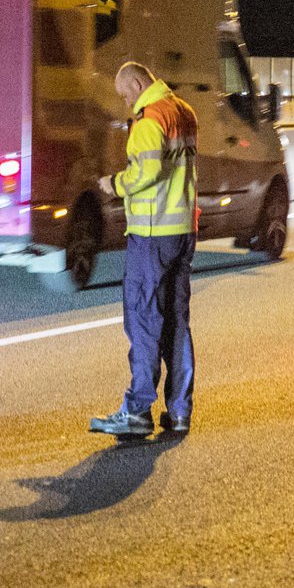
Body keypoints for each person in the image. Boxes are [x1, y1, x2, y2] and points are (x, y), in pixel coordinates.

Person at [89, 62, 199, 437]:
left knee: (143, 319)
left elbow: (146, 173)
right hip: (182, 230)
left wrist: (114, 183)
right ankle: (180, 411)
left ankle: (137, 411)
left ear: (137, 84)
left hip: (152, 233)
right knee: (177, 322)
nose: (125, 102)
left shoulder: (149, 120)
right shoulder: (183, 112)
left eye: (125, 94)